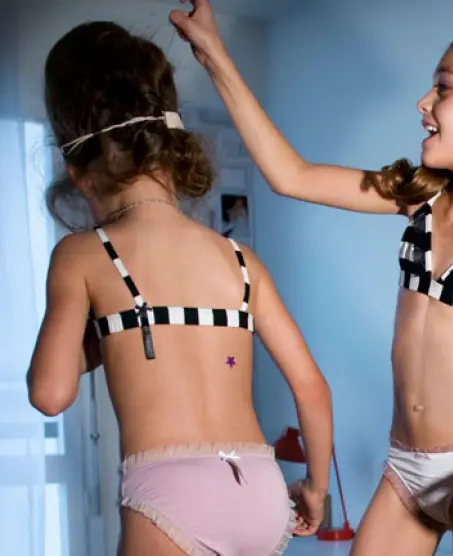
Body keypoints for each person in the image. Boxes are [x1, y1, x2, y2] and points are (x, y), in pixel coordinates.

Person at [170, 0, 453, 554]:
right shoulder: (422, 198)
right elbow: (290, 175)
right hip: (404, 471)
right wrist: (214, 55)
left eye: (443, 88)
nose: (423, 103)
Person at [26, 21, 333, 556]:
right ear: (170, 150)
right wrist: (315, 489)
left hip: (171, 492)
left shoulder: (83, 254)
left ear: (79, 174)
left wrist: (113, 329)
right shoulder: (241, 262)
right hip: (260, 488)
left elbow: (50, 394)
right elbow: (312, 388)